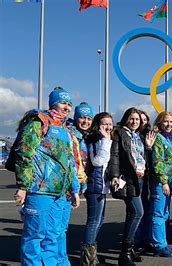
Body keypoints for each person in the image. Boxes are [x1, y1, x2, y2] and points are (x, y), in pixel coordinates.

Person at [14, 87, 84, 265]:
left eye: (69, 104)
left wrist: (74, 189)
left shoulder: (66, 131)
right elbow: (24, 152)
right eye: (63, 103)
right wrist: (23, 186)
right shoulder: (38, 122)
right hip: (40, 189)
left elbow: (70, 162)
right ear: (53, 103)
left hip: (60, 193)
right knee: (34, 236)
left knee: (53, 236)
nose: (67, 107)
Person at [109, 107, 154, 265]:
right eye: (132, 118)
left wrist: (148, 147)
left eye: (138, 120)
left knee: (131, 214)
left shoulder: (138, 136)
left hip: (139, 178)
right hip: (127, 178)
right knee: (138, 212)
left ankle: (130, 248)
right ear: (126, 118)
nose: (135, 122)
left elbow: (142, 158)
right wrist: (114, 175)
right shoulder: (120, 133)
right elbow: (114, 155)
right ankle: (125, 254)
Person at [60, 102, 93, 266]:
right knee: (56, 227)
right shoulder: (70, 134)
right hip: (65, 186)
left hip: (75, 185)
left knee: (61, 228)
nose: (86, 121)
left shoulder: (84, 137)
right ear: (76, 118)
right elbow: (72, 163)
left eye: (89, 118)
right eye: (82, 117)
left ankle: (60, 259)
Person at [80, 112, 113, 264]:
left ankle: (92, 256)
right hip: (95, 185)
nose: (108, 127)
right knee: (94, 221)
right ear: (97, 125)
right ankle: (87, 259)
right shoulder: (96, 139)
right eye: (104, 124)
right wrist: (106, 141)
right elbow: (97, 162)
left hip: (101, 185)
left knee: (99, 220)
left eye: (110, 124)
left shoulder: (105, 138)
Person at [149, 112, 172, 257]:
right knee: (158, 214)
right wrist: (164, 181)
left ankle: (163, 243)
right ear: (159, 122)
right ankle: (159, 246)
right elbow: (158, 161)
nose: (169, 124)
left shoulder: (169, 139)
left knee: (164, 214)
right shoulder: (159, 138)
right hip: (160, 182)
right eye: (166, 121)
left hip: (168, 182)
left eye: (171, 122)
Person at [134, 110, 156, 254]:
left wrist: (149, 146)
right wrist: (147, 147)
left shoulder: (152, 135)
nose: (143, 122)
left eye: (145, 119)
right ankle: (137, 241)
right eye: (139, 119)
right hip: (138, 178)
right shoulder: (134, 136)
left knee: (148, 210)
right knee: (138, 211)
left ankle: (148, 239)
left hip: (149, 178)